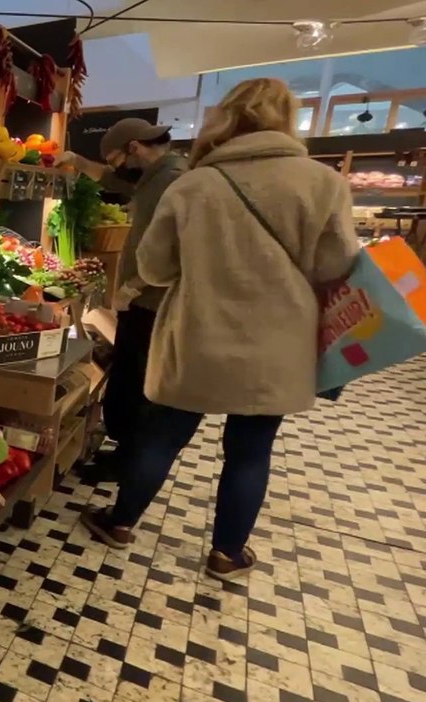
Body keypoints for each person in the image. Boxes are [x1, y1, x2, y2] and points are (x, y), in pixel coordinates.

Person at [81, 78, 361, 580]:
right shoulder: (324, 183)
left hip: (198, 333)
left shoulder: (194, 183)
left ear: (225, 119)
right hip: (281, 340)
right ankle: (227, 554)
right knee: (251, 449)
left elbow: (156, 267)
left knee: (164, 435)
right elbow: (336, 265)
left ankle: (120, 522)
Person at [60, 119, 187, 479]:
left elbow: (171, 250)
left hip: (152, 303)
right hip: (143, 302)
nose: (117, 168)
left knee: (137, 385)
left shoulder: (173, 181)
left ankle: (131, 462)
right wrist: (77, 161)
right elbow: (113, 180)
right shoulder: (154, 175)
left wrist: (134, 286)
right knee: (129, 381)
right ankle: (127, 454)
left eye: (116, 158)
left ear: (134, 148)